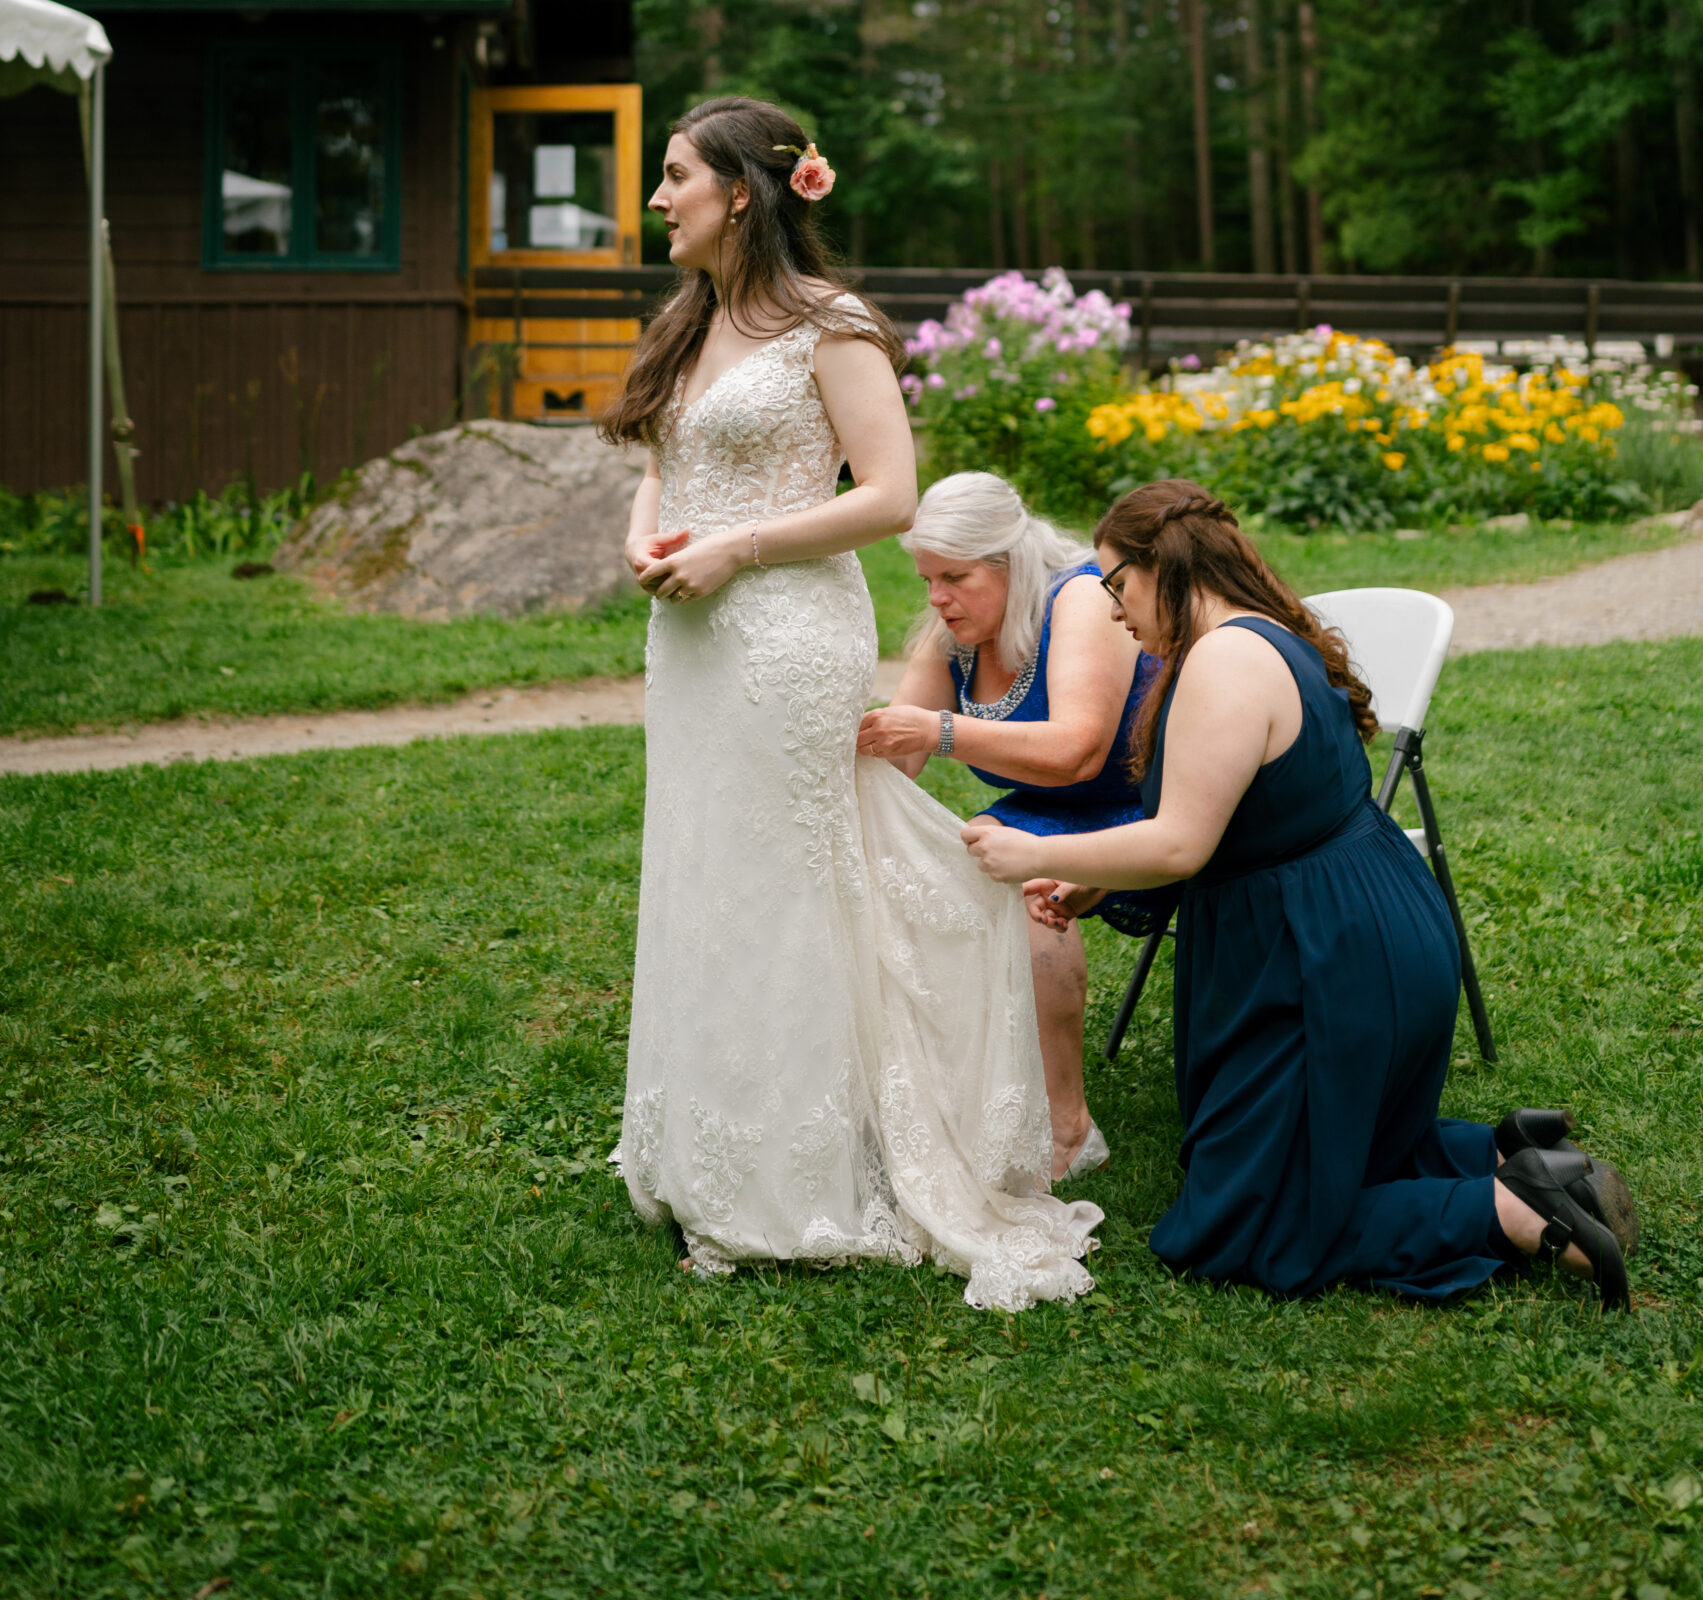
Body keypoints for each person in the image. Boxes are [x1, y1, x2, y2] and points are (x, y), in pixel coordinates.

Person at [601, 95, 1102, 1310]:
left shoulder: (833, 326)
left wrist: (740, 549)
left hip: (783, 637)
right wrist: (646, 531)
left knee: (782, 881)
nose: (657, 199)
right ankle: (703, 1144)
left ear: (742, 191)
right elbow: (665, 453)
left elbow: (889, 494)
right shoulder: (694, 319)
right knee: (702, 871)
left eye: (674, 176)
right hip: (693, 644)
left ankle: (797, 1167)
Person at [961, 479, 1638, 1309]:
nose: (1110, 609)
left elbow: (1181, 840)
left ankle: (1513, 1209)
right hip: (1357, 931)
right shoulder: (1252, 637)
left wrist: (1032, 848)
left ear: (1163, 567)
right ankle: (1498, 1153)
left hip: (1325, 963)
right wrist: (1097, 877)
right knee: (1274, 1170)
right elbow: (1220, 819)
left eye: (1115, 584)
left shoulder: (1224, 662)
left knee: (1236, 1233)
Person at [856, 471, 1167, 1181]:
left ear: (1009, 562)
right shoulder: (955, 632)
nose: (937, 598)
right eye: (926, 578)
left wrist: (938, 731)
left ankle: (1067, 1125)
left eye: (954, 577)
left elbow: (1078, 751)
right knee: (928, 865)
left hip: (1142, 807)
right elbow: (899, 758)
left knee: (1017, 879)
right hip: (1038, 812)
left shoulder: (1081, 599)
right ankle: (951, 1096)